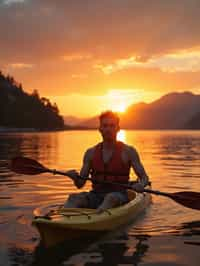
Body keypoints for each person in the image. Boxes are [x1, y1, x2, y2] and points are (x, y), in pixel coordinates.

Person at [64, 110, 150, 212]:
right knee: (73, 198)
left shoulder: (129, 151)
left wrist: (141, 184)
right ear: (100, 129)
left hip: (119, 195)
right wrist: (74, 178)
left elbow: (144, 178)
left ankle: (97, 217)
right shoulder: (90, 153)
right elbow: (80, 184)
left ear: (118, 129)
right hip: (96, 195)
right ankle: (61, 219)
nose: (108, 129)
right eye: (105, 126)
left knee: (111, 198)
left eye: (112, 126)